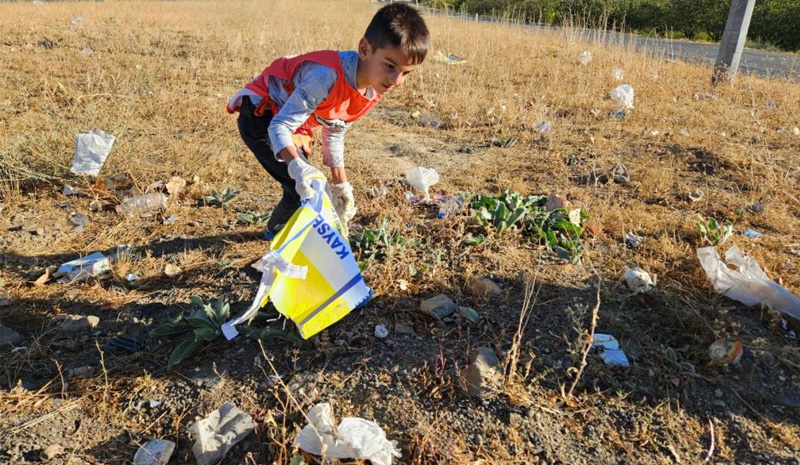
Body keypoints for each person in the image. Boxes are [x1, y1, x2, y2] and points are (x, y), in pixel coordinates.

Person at [227, 3, 431, 239]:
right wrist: (298, 168)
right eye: (390, 66)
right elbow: (279, 126)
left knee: (312, 187)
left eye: (406, 73)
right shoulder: (326, 76)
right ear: (365, 49)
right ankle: (277, 235)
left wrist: (340, 184)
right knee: (304, 187)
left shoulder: (373, 89)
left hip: (291, 120)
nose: (396, 80)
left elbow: (335, 129)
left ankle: (281, 232)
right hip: (260, 115)